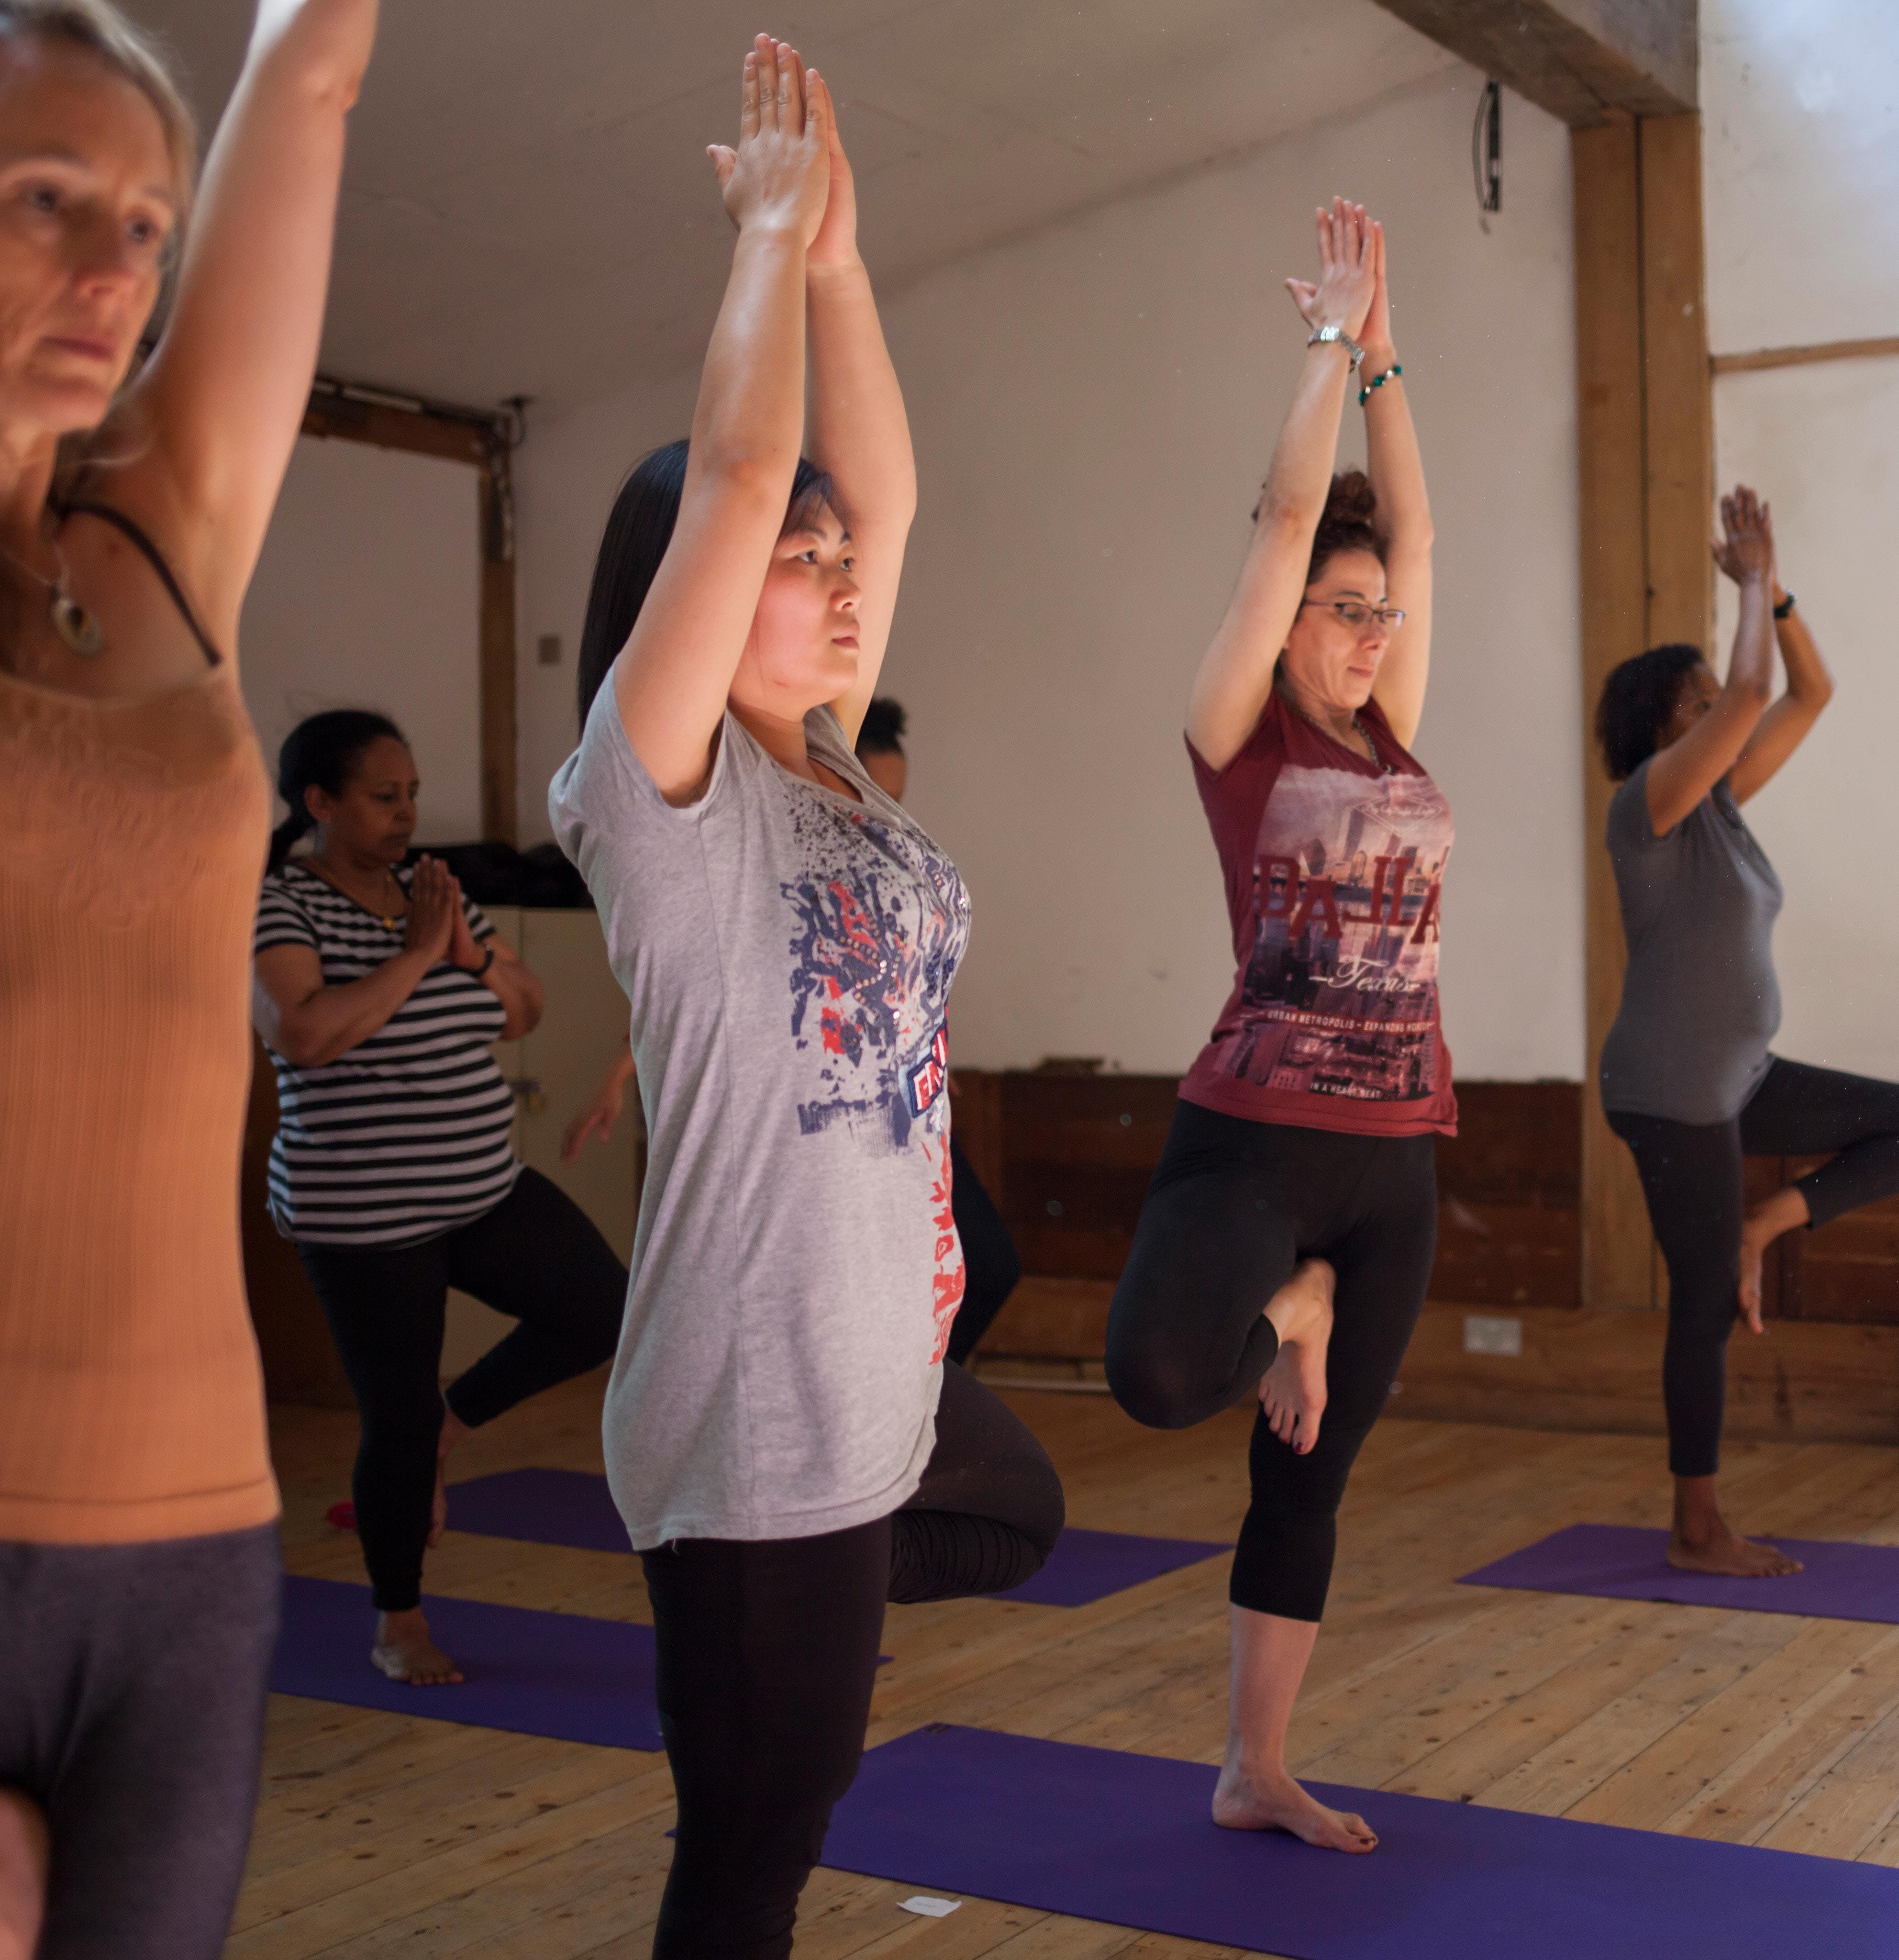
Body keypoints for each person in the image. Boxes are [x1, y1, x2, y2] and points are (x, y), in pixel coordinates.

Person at [0, 0, 375, 1951]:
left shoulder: (166, 531)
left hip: (179, 1549)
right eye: (45, 198)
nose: (113, 269)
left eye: (146, 225)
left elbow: (312, 65)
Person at [547, 42, 1059, 1955]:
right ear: (685, 594)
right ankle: (748, 1602)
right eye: (796, 564)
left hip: (876, 1377)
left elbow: (882, 492)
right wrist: (764, 239)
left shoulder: (830, 760)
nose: (843, 585)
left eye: (842, 566)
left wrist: (842, 258)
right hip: (759, 1409)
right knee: (752, 1863)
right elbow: (743, 469)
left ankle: (774, 1621)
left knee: (1017, 1511)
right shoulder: (660, 795)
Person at [1102, 199, 1441, 1856]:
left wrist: (1389, 357)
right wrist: (1324, 343)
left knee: (1311, 1476)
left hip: (1397, 1161)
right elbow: (1290, 512)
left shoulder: (1394, 735)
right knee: (1162, 1377)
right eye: (1344, 609)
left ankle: (1256, 1765)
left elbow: (1415, 533)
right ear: (1285, 617)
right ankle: (1287, 1303)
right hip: (1253, 1139)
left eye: (1382, 613)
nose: (1374, 633)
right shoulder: (1241, 734)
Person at [1593, 488, 1899, 1578]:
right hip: (1672, 1092)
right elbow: (1757, 687)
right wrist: (1750, 580)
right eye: (1702, 701)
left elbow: (1808, 690)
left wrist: (1779, 592)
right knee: (1703, 1307)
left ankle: (1764, 1223)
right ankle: (1696, 1527)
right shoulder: (1649, 806)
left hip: (1739, 1079)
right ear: (1662, 725)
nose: (1726, 707)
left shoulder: (1720, 805)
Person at [253, 709, 627, 1687]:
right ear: (320, 802)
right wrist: (419, 956)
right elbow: (304, 1034)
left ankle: (450, 1423)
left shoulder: (432, 893)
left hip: (480, 1186)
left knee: (601, 1307)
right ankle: (400, 1621)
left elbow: (525, 1009)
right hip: (363, 1217)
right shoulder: (281, 904)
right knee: (394, 1422)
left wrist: (471, 955)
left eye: (412, 793)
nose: (407, 813)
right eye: (385, 796)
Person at [562, 693, 1023, 1367]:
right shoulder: (770, 865)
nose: (879, 814)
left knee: (984, 1265)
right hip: (832, 1125)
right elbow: (723, 993)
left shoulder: (893, 873)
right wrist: (619, 1069)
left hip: (905, 1111)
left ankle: (925, 1388)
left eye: (893, 798)